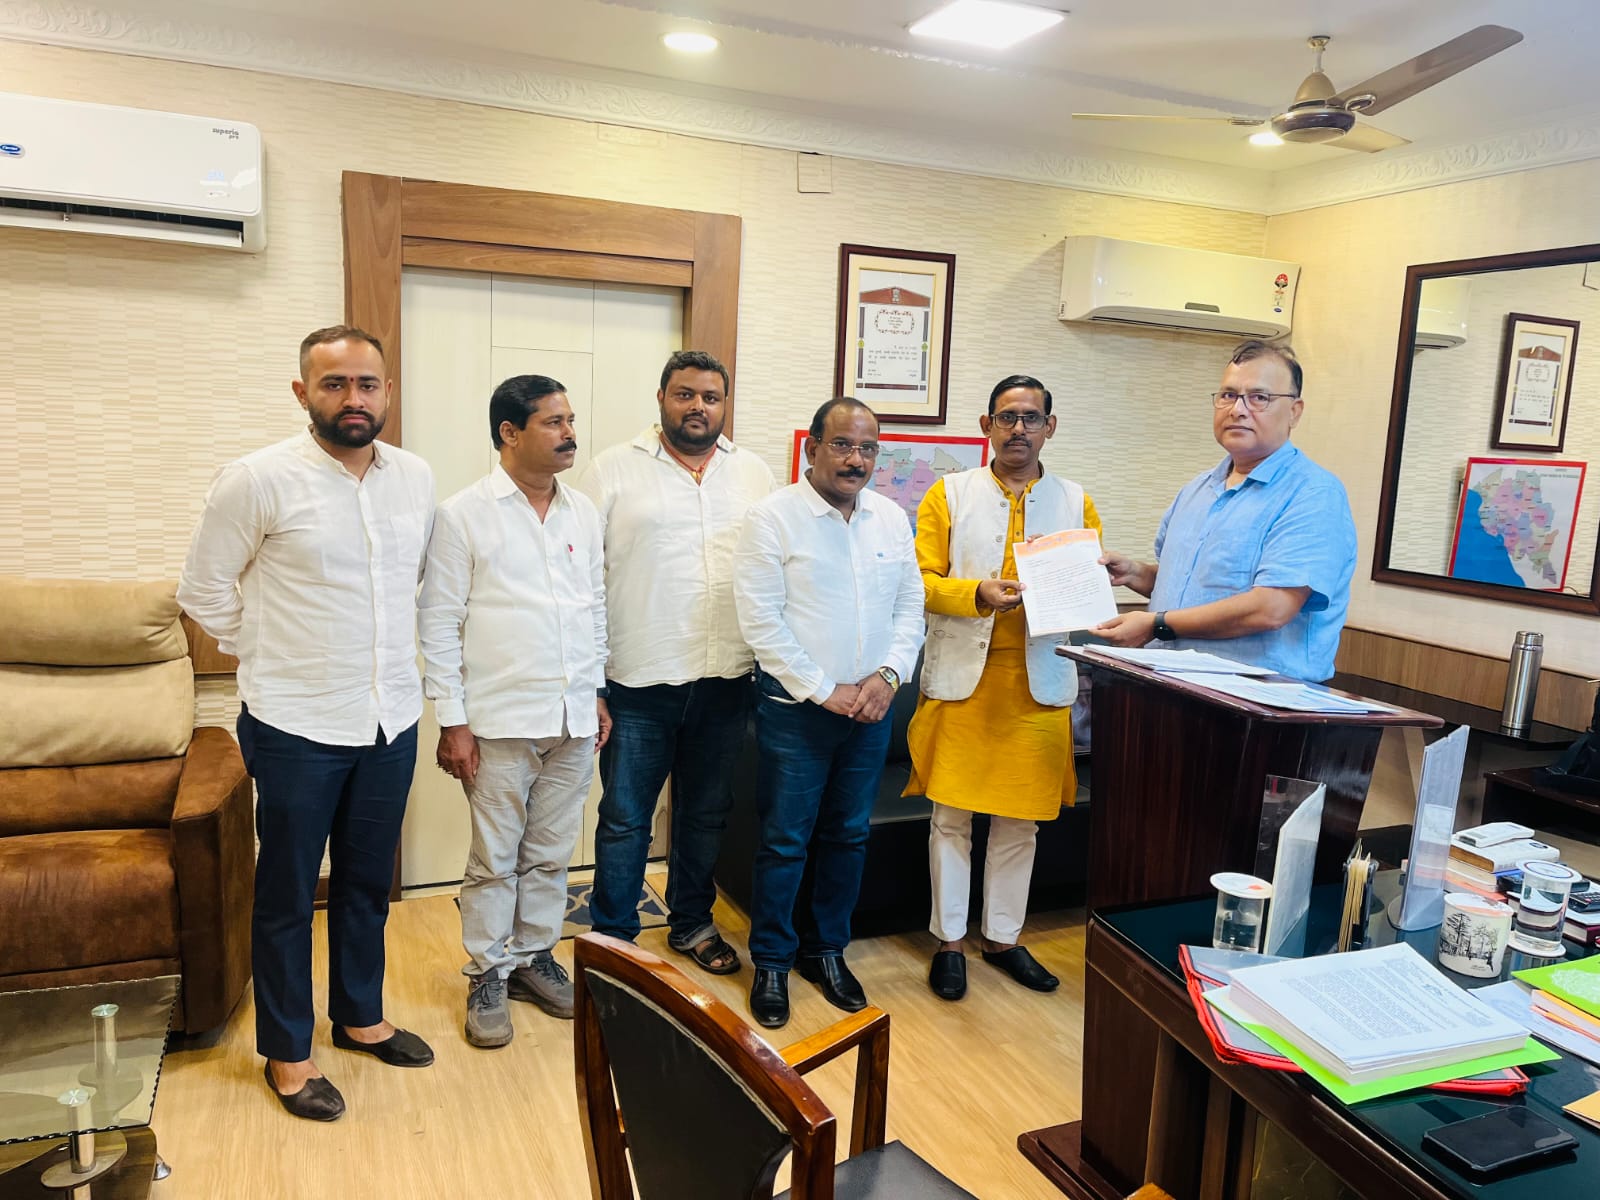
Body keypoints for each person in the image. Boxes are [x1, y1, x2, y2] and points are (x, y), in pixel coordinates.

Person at [178, 326, 436, 1122]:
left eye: (367, 383)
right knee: (289, 891)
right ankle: (288, 1052)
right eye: (334, 384)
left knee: (367, 883)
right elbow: (203, 589)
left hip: (390, 718)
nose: (353, 398)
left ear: (387, 391)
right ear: (303, 392)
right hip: (295, 723)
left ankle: (360, 1018)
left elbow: (413, 585)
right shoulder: (257, 480)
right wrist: (267, 647)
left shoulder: (415, 478)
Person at [417, 375, 610, 1049]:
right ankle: (488, 972)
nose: (570, 434)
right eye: (554, 422)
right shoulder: (463, 514)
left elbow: (593, 608)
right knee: (495, 859)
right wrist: (453, 720)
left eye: (571, 420)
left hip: (571, 718)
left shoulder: (583, 512)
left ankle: (533, 957)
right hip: (498, 722)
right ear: (509, 432)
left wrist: (595, 690)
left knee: (552, 854)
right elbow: (439, 623)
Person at [575, 350, 773, 976]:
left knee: (706, 814)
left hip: (726, 678)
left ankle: (691, 923)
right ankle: (614, 941)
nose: (698, 407)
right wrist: (592, 682)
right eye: (685, 394)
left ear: (724, 404)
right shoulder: (612, 469)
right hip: (638, 680)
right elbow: (582, 579)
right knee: (625, 819)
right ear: (661, 397)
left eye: (710, 397)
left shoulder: (754, 474)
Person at [909, 375, 1102, 1002]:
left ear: (1051, 426)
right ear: (986, 425)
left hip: (1039, 683)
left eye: (1031, 417)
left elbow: (1086, 589)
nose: (1019, 428)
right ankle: (948, 942)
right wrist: (976, 593)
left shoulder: (1077, 501)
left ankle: (1002, 938)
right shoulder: (948, 494)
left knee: (1022, 824)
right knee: (951, 819)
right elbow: (919, 581)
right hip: (963, 679)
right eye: (1007, 417)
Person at [732, 398, 924, 1028]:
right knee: (785, 839)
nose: (855, 459)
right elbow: (761, 621)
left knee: (848, 835)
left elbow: (910, 608)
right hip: (797, 710)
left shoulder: (890, 518)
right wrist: (823, 689)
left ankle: (827, 952)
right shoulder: (772, 518)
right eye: (842, 445)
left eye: (868, 448)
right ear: (812, 448)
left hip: (870, 709)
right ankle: (772, 961)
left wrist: (889, 676)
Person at [1093, 340, 1356, 682]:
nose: (1237, 410)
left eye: (1259, 397)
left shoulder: (1313, 494)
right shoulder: (1197, 489)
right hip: (1168, 686)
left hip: (1256, 701)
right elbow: (1193, 589)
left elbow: (1272, 608)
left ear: (1295, 411)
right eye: (1228, 395)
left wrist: (1157, 624)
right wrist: (1135, 574)